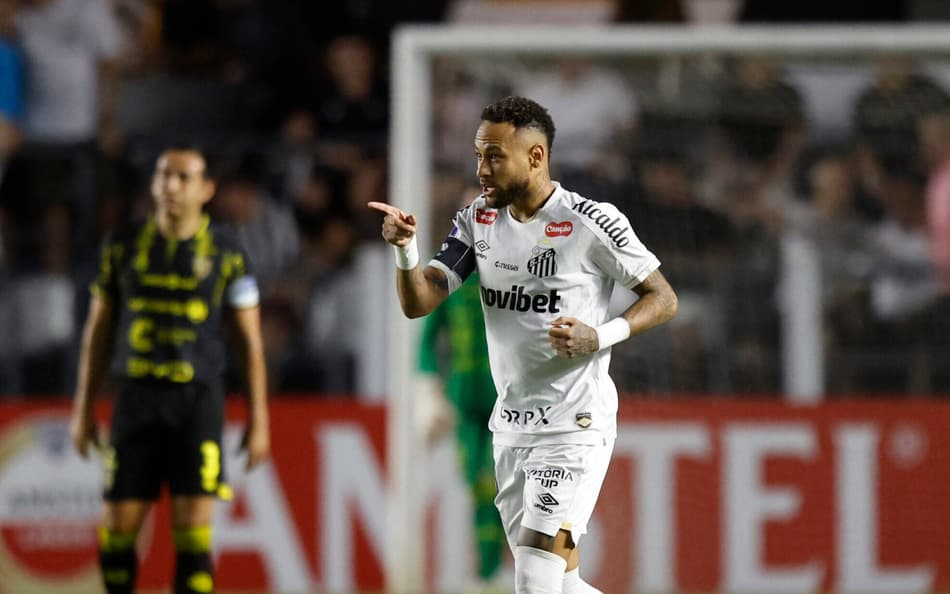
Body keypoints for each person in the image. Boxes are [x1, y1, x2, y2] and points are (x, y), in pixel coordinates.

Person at [370, 96, 678, 594]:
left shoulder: (589, 221)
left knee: (534, 576)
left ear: (536, 157)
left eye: (494, 156)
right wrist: (406, 251)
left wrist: (599, 336)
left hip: (574, 426)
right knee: (562, 584)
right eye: (478, 155)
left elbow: (662, 298)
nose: (482, 169)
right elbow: (419, 301)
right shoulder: (477, 220)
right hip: (510, 428)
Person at [69, 147, 270, 594]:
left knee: (194, 538)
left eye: (183, 178)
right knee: (118, 529)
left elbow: (249, 343)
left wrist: (260, 419)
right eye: (164, 176)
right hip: (136, 399)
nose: (171, 187)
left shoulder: (228, 251)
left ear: (206, 189)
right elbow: (98, 331)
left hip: (197, 401)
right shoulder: (121, 245)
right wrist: (82, 409)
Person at [417, 188, 507, 592]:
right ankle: (488, 577)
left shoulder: (524, 267)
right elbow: (425, 341)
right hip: (467, 399)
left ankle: (498, 574)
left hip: (514, 399)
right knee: (480, 485)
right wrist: (427, 392)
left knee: (511, 489)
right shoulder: (450, 274)